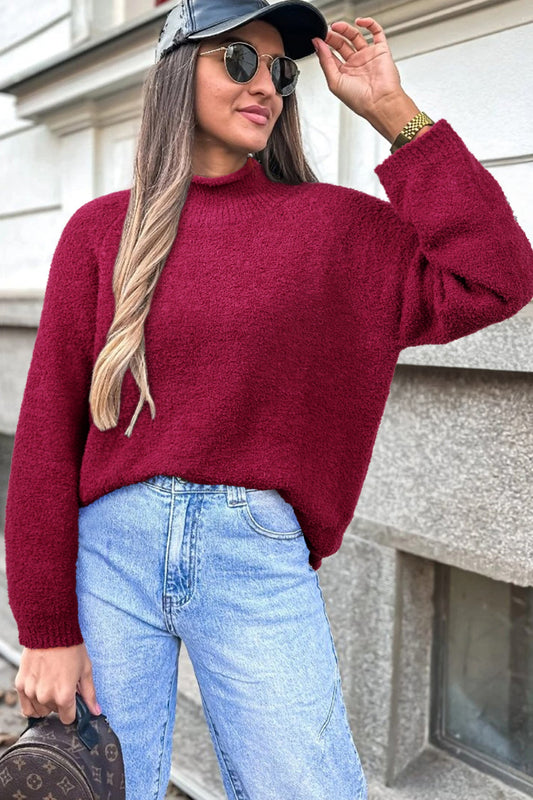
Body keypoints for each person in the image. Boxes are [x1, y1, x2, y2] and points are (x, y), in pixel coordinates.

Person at [5, 0, 533, 798]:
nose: (265, 87)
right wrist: (46, 629)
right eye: (240, 61)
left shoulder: (335, 230)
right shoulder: (101, 232)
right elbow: (47, 437)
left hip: (254, 559)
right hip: (107, 555)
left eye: (281, 72)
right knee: (99, 788)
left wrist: (392, 111)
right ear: (178, 72)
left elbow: (498, 277)